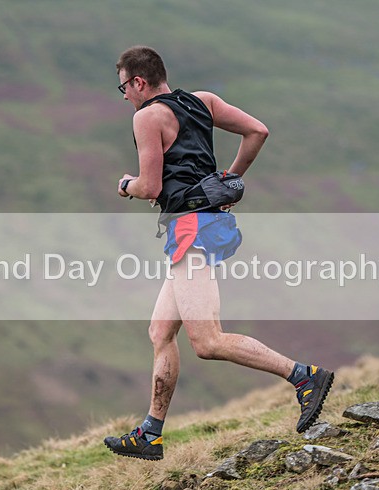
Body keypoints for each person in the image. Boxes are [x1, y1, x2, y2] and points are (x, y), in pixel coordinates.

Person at [104, 46, 333, 461]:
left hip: (191, 229)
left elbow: (151, 187)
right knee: (160, 332)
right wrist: (227, 179)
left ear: (138, 82)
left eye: (123, 86)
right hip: (205, 224)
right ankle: (150, 433)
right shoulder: (203, 101)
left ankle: (304, 376)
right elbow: (257, 131)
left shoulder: (147, 117)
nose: (123, 96)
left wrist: (126, 184)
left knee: (207, 341)